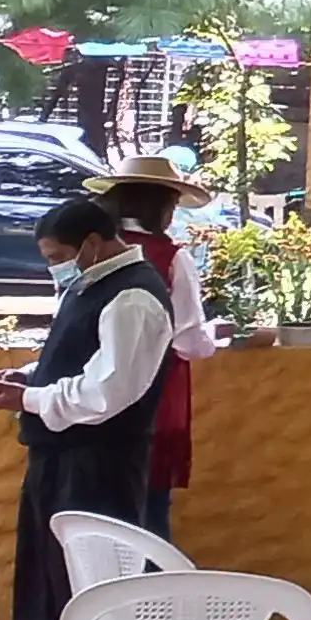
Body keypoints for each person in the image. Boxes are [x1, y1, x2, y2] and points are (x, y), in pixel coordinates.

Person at [0, 196, 178, 620]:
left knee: (94, 593)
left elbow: (110, 392)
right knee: (46, 589)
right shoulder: (89, 286)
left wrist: (32, 397)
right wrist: (29, 380)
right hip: (57, 456)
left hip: (100, 463)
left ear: (94, 241)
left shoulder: (134, 296)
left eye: (60, 254)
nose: (56, 266)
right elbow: (82, 368)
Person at [94, 151, 219, 541]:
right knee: (149, 515)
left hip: (94, 394)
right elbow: (189, 340)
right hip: (157, 399)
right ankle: (151, 598)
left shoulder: (93, 250)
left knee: (101, 515)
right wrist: (215, 337)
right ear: (162, 205)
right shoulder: (171, 258)